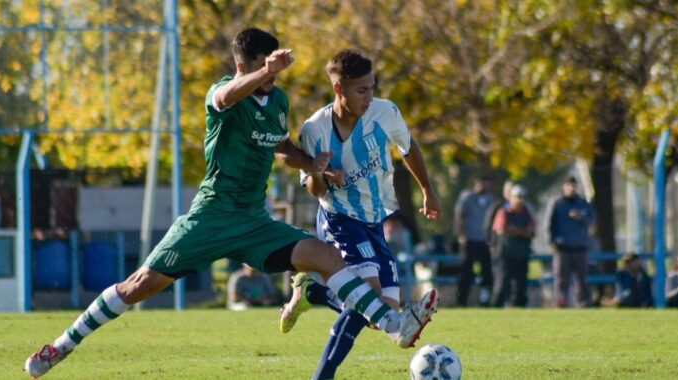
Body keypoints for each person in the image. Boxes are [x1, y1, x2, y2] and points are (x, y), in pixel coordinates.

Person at [24, 28, 438, 378]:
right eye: (262, 72)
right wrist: (263, 72)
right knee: (139, 287)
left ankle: (394, 324)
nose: (271, 82)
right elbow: (225, 98)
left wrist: (315, 164)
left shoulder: (277, 100)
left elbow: (280, 146)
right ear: (244, 67)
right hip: (212, 216)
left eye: (274, 75)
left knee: (327, 256)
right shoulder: (222, 93)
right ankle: (61, 346)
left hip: (255, 221)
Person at [279, 50, 443, 380]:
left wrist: (427, 189)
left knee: (376, 309)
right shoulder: (316, 130)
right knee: (368, 298)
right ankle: (322, 376)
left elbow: (408, 147)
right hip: (338, 218)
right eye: (362, 90)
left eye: (372, 87)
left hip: (373, 219)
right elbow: (315, 190)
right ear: (340, 89)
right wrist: (321, 172)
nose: (370, 96)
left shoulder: (385, 112)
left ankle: (313, 293)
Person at [545, 176, 596, 308]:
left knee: (582, 280)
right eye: (569, 185)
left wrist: (580, 217)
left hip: (580, 247)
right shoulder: (557, 204)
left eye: (574, 186)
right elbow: (548, 225)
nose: (571, 188)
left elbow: (592, 221)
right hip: (562, 248)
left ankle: (583, 304)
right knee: (561, 280)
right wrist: (552, 243)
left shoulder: (583, 203)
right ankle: (561, 303)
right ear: (564, 186)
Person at [490, 185, 535, 308]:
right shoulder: (503, 212)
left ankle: (518, 310)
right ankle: (495, 309)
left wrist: (514, 230)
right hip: (505, 255)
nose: (520, 200)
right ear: (511, 198)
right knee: (502, 285)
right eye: (517, 197)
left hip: (521, 254)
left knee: (520, 287)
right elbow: (501, 229)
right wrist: (522, 231)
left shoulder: (527, 213)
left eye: (522, 197)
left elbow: (531, 232)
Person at [454, 176, 495, 306]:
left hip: (485, 242)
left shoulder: (491, 200)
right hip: (469, 241)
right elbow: (460, 216)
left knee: (487, 273)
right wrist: (462, 235)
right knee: (466, 272)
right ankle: (462, 300)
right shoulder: (467, 198)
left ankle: (485, 301)